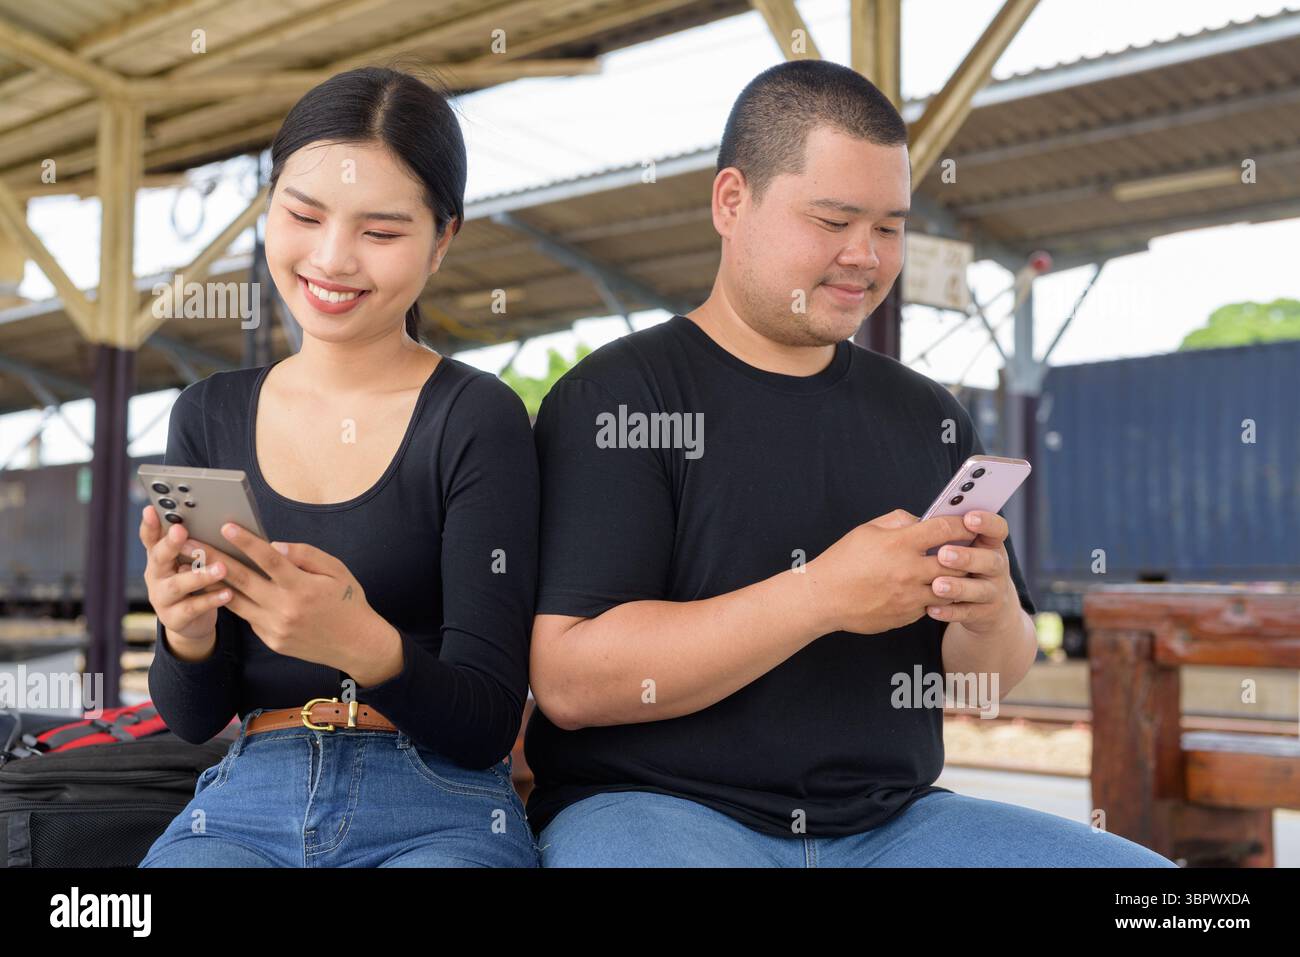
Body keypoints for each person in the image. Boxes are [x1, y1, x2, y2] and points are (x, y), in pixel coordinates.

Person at [523, 60, 1177, 868]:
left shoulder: (929, 415)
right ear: (732, 201)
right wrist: (822, 595)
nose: (864, 256)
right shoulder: (616, 396)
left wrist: (990, 610)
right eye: (832, 221)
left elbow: (978, 687)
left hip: (895, 825)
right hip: (657, 812)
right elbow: (570, 680)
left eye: (890, 226)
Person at [138, 67, 540, 868]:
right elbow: (194, 716)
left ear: (442, 240)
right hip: (250, 792)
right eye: (302, 214)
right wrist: (184, 633)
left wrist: (364, 645)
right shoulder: (207, 414)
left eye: (380, 232)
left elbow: (490, 720)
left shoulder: (476, 417)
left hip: (438, 800)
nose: (330, 258)